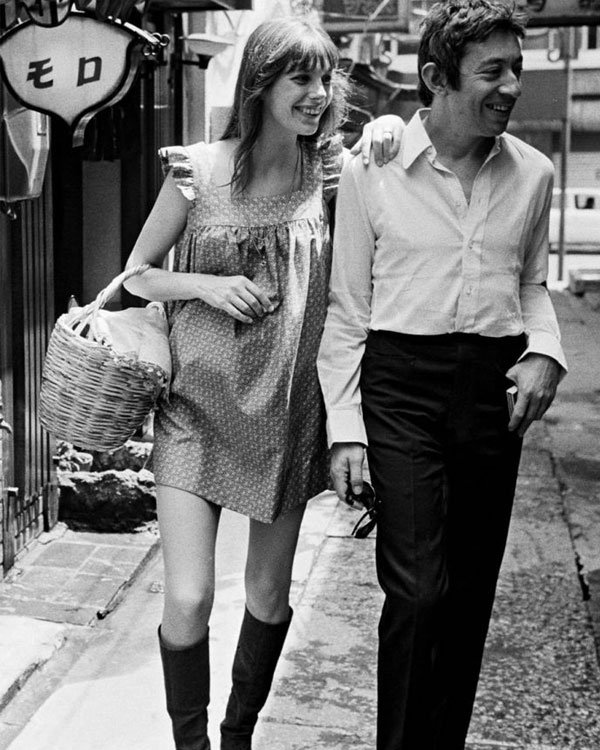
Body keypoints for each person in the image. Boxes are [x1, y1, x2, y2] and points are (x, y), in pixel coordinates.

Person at [124, 18, 402, 750]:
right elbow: (135, 276)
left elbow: (393, 182)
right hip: (193, 408)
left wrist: (393, 130)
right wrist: (207, 288)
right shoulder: (200, 171)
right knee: (186, 596)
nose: (317, 95)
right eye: (298, 79)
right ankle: (192, 744)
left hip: (287, 412)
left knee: (269, 596)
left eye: (324, 79)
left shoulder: (333, 175)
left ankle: (237, 734)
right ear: (260, 84)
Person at [317, 2, 567, 748]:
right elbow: (347, 309)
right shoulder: (374, 168)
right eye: (493, 70)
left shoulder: (534, 174)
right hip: (401, 386)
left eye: (516, 69)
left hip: (490, 392)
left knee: (468, 601)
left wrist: (545, 352)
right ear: (436, 78)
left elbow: (530, 285)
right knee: (421, 592)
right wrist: (345, 430)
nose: (512, 86)